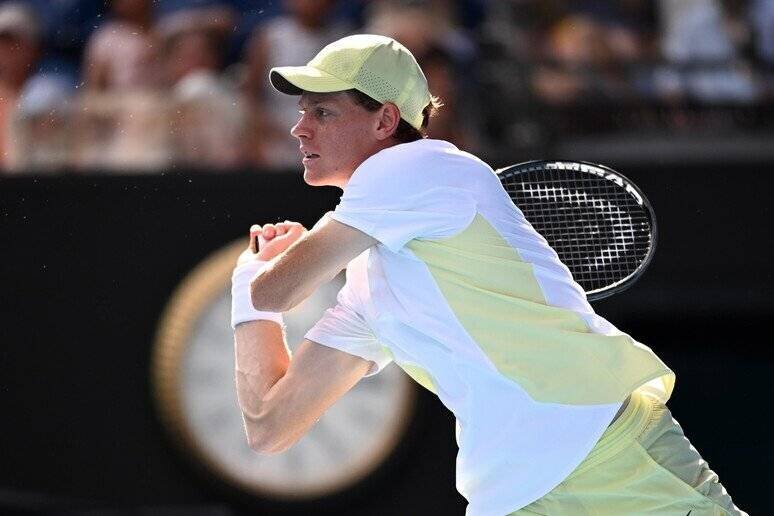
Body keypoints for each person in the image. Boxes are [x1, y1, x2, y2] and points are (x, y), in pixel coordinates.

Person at [230, 34, 745, 515]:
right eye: (302, 113)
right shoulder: (369, 287)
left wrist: (266, 275)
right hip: (512, 491)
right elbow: (270, 426)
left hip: (604, 448)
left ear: (385, 120)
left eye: (322, 112)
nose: (300, 128)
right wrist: (245, 283)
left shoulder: (417, 167)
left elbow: (279, 290)